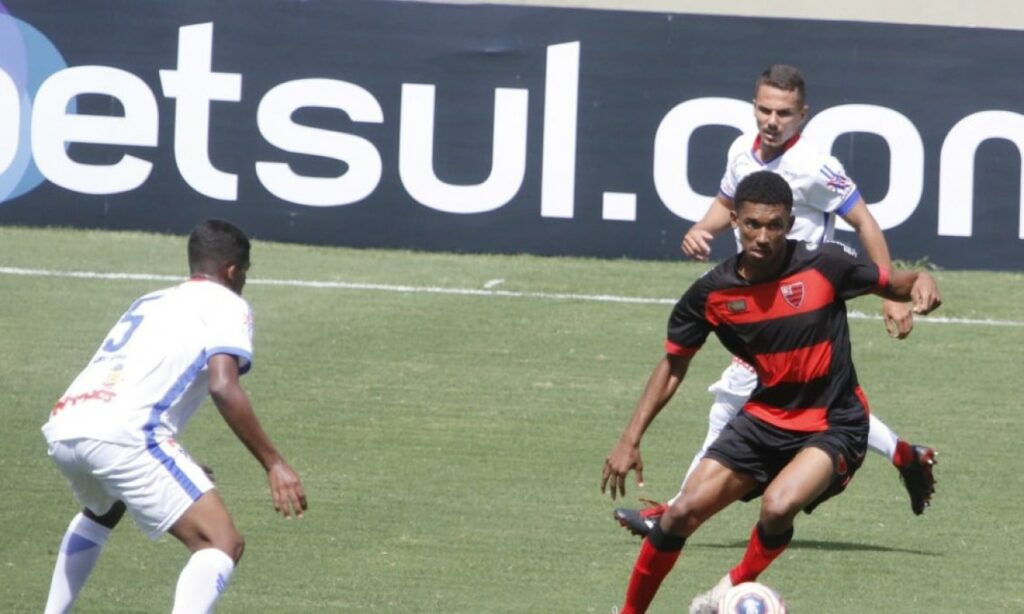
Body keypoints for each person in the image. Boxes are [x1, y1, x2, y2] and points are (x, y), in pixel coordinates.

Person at [613, 64, 936, 537]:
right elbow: (727, 203)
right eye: (764, 109)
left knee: (730, 404)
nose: (771, 120)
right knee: (820, 401)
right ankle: (905, 453)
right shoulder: (740, 151)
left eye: (783, 112)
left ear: (803, 115)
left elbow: (865, 222)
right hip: (758, 299)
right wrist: (703, 228)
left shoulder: (817, 166)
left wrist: (892, 298)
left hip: (802, 302)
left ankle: (674, 513)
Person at [601, 170, 942, 613]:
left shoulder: (825, 265)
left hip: (834, 422)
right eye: (752, 225)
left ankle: (733, 585)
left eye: (775, 225)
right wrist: (630, 438)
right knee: (680, 514)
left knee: (779, 506)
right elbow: (673, 365)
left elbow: (897, 282)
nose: (763, 236)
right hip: (766, 418)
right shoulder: (711, 294)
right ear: (736, 221)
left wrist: (921, 281)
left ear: (789, 222)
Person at [41, 219, 307, 613]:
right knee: (221, 542)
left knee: (105, 508)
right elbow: (222, 385)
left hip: (67, 423)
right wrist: (274, 463)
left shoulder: (150, 300)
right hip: (124, 437)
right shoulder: (228, 303)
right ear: (232, 271)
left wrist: (165, 457)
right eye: (245, 275)